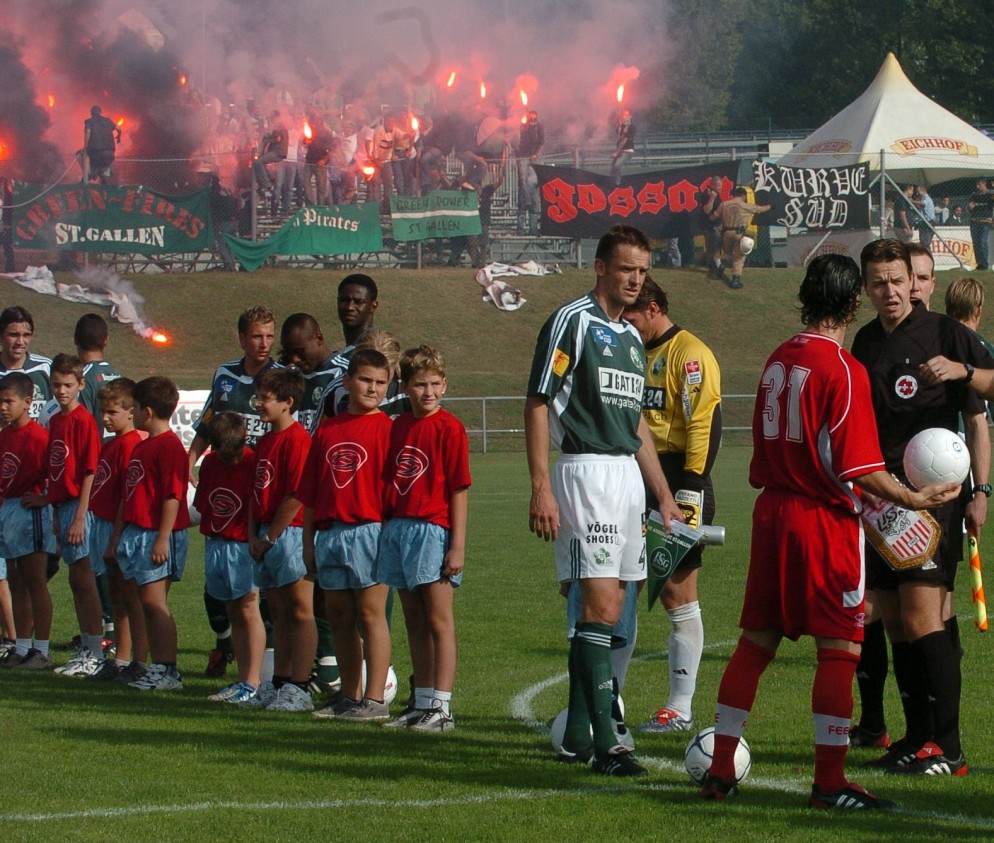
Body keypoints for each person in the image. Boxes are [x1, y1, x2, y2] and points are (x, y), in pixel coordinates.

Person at [700, 254, 960, 809]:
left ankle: (720, 769)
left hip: (772, 514)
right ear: (850, 303)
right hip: (821, 520)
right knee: (840, 647)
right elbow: (859, 467)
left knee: (755, 643)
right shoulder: (842, 368)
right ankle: (830, 781)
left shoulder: (777, 359)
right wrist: (912, 498)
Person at [525, 224, 682, 776]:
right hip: (585, 471)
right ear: (600, 267)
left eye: (641, 269)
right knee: (601, 609)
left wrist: (662, 496)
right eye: (625, 269)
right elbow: (538, 401)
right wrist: (541, 485)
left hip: (627, 482)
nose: (635, 279)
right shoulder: (572, 321)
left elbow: (636, 422)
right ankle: (609, 743)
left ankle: (576, 730)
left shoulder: (634, 338)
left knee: (616, 609)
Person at [850, 238, 990, 776]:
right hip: (881, 502)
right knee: (894, 620)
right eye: (878, 282)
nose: (890, 291)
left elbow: (985, 401)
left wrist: (963, 372)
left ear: (914, 280)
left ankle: (949, 748)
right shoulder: (864, 343)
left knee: (922, 615)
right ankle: (915, 737)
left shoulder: (947, 334)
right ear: (867, 288)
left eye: (897, 280)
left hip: (935, 497)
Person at [622, 276, 722, 734]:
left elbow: (702, 424)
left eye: (633, 315)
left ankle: (679, 708)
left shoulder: (690, 354)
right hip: (630, 477)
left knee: (677, 594)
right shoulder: (630, 350)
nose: (627, 323)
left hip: (680, 477)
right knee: (621, 592)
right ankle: (610, 701)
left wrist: (691, 491)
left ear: (655, 308)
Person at [378, 345, 471, 732]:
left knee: (438, 620)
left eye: (435, 384)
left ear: (445, 384)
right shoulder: (397, 426)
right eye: (420, 385)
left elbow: (458, 490)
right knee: (413, 620)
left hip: (433, 529)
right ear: (405, 386)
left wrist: (457, 545)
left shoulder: (450, 428)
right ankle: (421, 701)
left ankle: (443, 708)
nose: (428, 392)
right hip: (400, 527)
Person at [299, 349, 393, 721]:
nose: (372, 389)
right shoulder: (328, 430)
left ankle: (375, 699)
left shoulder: (387, 428)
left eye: (380, 382)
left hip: (370, 530)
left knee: (370, 615)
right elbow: (310, 493)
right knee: (338, 616)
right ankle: (349, 695)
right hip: (331, 531)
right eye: (365, 380)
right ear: (347, 381)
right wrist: (309, 542)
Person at [188, 305, 278, 679]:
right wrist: (189, 461)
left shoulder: (281, 377)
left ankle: (263, 670)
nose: (264, 343)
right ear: (242, 338)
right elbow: (208, 424)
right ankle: (227, 644)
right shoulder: (225, 375)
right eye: (257, 336)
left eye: (270, 336)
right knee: (219, 586)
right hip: (226, 487)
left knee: (261, 589)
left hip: (264, 489)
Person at [246, 367, 315, 713]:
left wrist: (270, 536)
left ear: (287, 403)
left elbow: (296, 494)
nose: (258, 403)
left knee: (299, 608)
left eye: (265, 398)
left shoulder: (297, 440)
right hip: (265, 533)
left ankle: (300, 685)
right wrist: (252, 535)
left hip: (287, 533)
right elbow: (255, 492)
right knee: (278, 611)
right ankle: (280, 682)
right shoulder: (266, 440)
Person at [116, 376, 191, 691]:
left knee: (155, 602)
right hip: (140, 532)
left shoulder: (169, 446)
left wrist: (163, 536)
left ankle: (168, 669)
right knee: (146, 600)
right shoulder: (145, 445)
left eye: (133, 408)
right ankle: (158, 666)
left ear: (147, 411)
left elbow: (172, 496)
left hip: (158, 534)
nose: (131, 413)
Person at [37, 354, 104, 677]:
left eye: (67, 385)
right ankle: (88, 648)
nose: (61, 391)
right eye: (56, 385)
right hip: (62, 506)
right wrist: (53, 509)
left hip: (80, 505)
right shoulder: (58, 420)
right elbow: (57, 467)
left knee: (83, 577)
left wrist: (79, 515)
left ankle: (94, 651)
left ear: (80, 384)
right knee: (76, 579)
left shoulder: (82, 420)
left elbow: (89, 470)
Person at [195, 413, 264, 705]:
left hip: (241, 545)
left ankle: (254, 681)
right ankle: (241, 679)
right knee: (233, 612)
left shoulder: (253, 462)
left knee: (249, 610)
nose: (233, 460)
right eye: (226, 454)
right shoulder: (210, 464)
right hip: (217, 542)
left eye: (236, 452)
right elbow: (204, 501)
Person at [86, 378, 148, 683]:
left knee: (131, 598)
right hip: (104, 524)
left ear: (130, 411)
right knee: (117, 598)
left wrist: (114, 539)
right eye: (102, 411)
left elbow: (127, 495)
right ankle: (121, 659)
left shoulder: (131, 445)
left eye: (112, 412)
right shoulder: (112, 444)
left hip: (118, 527)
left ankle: (139, 660)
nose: (105, 418)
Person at [0, 372, 55, 669]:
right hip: (8, 509)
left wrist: (46, 498)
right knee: (17, 579)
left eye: (9, 401)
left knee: (35, 579)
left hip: (29, 510)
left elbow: (55, 474)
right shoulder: (4, 436)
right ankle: (21, 646)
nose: (4, 407)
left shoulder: (38, 436)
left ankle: (42, 649)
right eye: (0, 402)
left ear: (28, 402)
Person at [74, 313, 125, 442]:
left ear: (75, 340)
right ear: (106, 340)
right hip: (116, 454)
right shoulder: (120, 377)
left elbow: (82, 426)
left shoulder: (80, 380)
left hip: (95, 457)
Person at [0, 306, 52, 421]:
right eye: (13, 335)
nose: (20, 342)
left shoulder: (45, 368)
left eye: (26, 335)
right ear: (1, 336)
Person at [717, 187, 771, 290]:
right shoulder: (746, 206)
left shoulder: (724, 204)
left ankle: (722, 265)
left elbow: (716, 215)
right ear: (743, 195)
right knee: (739, 257)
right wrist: (770, 206)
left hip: (727, 232)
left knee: (726, 252)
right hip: (739, 233)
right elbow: (760, 209)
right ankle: (735, 279)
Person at [516, 110, 544, 235]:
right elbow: (518, 140)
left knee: (533, 188)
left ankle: (533, 230)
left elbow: (541, 142)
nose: (532, 121)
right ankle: (520, 230)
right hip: (523, 157)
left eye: (534, 119)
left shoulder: (539, 128)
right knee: (523, 183)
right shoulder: (523, 127)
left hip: (533, 159)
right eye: (530, 119)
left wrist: (535, 154)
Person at [82, 105, 120, 184]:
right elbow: (119, 129)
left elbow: (88, 132)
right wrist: (119, 136)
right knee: (104, 166)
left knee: (82, 155)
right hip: (109, 153)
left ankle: (91, 174)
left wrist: (85, 146)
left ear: (91, 113)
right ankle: (103, 174)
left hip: (96, 152)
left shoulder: (89, 121)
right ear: (100, 112)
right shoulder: (108, 121)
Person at [700, 176, 724, 279]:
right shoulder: (708, 194)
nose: (720, 188)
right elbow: (706, 210)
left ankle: (707, 261)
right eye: (718, 186)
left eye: (721, 186)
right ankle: (712, 267)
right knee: (712, 248)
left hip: (717, 225)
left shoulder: (716, 194)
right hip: (710, 226)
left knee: (716, 247)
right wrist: (712, 198)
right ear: (712, 185)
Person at [967, 178, 992, 270]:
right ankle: (979, 263)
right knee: (976, 243)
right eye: (977, 184)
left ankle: (985, 264)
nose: (977, 186)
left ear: (984, 184)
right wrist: (970, 207)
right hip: (974, 221)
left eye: (979, 184)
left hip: (985, 221)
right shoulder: (974, 195)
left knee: (982, 242)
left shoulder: (990, 194)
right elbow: (969, 208)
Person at [609, 110, 636, 186]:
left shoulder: (632, 128)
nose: (625, 116)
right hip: (620, 151)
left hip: (627, 151)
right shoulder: (622, 126)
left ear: (630, 116)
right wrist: (619, 127)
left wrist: (616, 152)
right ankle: (612, 183)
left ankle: (618, 184)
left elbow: (624, 141)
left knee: (617, 165)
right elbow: (619, 137)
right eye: (624, 115)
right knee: (613, 168)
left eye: (627, 115)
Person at [912, 185, 936, 253]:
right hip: (927, 223)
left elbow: (922, 203)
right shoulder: (924, 198)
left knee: (925, 244)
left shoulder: (926, 198)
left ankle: (928, 257)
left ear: (923, 191)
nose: (917, 193)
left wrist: (911, 201)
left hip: (927, 223)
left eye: (918, 191)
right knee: (925, 242)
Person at [1, 177, 14, 272]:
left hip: (5, 224)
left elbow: (9, 206)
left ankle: (10, 268)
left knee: (7, 246)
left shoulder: (7, 190)